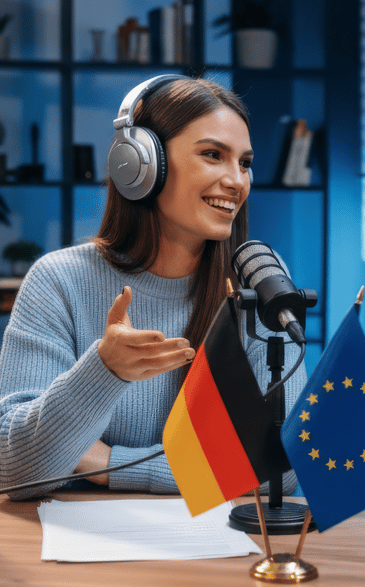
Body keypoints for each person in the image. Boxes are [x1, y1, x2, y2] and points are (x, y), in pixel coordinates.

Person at [0, 75, 306, 499]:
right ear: (140, 163)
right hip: (78, 550)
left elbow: (283, 467)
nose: (237, 181)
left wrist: (110, 464)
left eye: (245, 162)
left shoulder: (258, 282)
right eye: (213, 155)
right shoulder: (58, 281)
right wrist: (104, 371)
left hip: (214, 552)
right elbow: (15, 470)